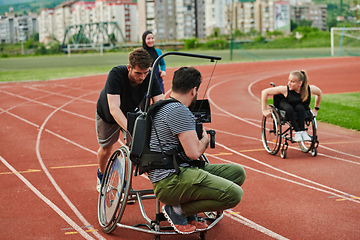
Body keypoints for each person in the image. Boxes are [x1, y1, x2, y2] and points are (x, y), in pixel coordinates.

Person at [145, 67, 246, 234]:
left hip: (180, 170)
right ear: (194, 90)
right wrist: (204, 140)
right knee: (234, 195)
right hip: (169, 181)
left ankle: (185, 208)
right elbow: (194, 153)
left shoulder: (164, 106)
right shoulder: (179, 110)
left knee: (237, 173)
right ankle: (179, 210)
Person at [95, 48, 164, 191]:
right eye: (138, 73)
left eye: (145, 73)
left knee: (137, 147)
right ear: (129, 68)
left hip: (131, 111)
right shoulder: (116, 74)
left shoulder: (149, 76)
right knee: (106, 149)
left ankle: (125, 183)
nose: (142, 77)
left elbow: (159, 103)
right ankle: (101, 175)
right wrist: (133, 129)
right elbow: (114, 109)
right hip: (108, 114)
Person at [261, 70, 322, 142]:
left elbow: (319, 93)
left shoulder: (309, 89)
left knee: (301, 107)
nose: (289, 83)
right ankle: (297, 132)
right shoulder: (285, 89)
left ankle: (302, 131)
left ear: (300, 83)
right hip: (285, 104)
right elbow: (264, 92)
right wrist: (264, 110)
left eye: (292, 82)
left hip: (298, 107)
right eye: (289, 80)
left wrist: (316, 109)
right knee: (289, 108)